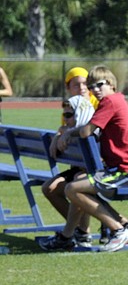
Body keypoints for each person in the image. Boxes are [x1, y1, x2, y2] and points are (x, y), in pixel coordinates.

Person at [39, 65, 128, 253]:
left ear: (111, 84)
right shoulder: (115, 100)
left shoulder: (110, 102)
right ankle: (70, 236)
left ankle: (118, 229)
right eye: (91, 87)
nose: (95, 90)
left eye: (99, 85)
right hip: (122, 169)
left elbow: (85, 131)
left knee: (73, 188)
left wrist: (67, 133)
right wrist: (65, 132)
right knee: (77, 185)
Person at [43, 67, 98, 248]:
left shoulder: (96, 104)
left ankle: (79, 232)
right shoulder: (70, 106)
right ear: (68, 87)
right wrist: (59, 134)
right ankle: (80, 230)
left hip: (94, 167)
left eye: (85, 84)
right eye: (77, 84)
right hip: (80, 164)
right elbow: (67, 130)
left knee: (77, 183)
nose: (83, 88)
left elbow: (86, 131)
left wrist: (62, 133)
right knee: (50, 188)